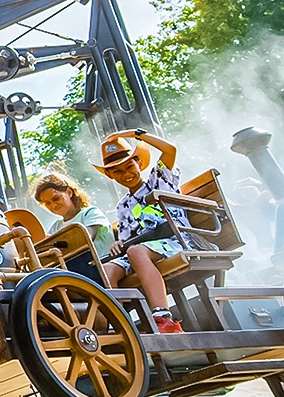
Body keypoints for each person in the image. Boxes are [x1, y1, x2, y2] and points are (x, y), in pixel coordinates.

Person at [94, 131, 196, 334]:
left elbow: (170, 150)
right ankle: (121, 326)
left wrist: (135, 134)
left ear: (139, 163)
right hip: (142, 250)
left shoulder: (158, 179)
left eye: (129, 166)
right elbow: (127, 241)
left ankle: (164, 319)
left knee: (136, 252)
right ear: (110, 175)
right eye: (118, 171)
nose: (126, 174)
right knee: (106, 269)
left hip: (176, 239)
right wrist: (118, 244)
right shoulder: (123, 206)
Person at [30, 172, 113, 248]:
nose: (53, 205)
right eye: (47, 203)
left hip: (103, 261)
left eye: (56, 198)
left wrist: (54, 242)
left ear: (69, 192)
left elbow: (86, 238)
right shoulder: (55, 227)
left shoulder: (90, 213)